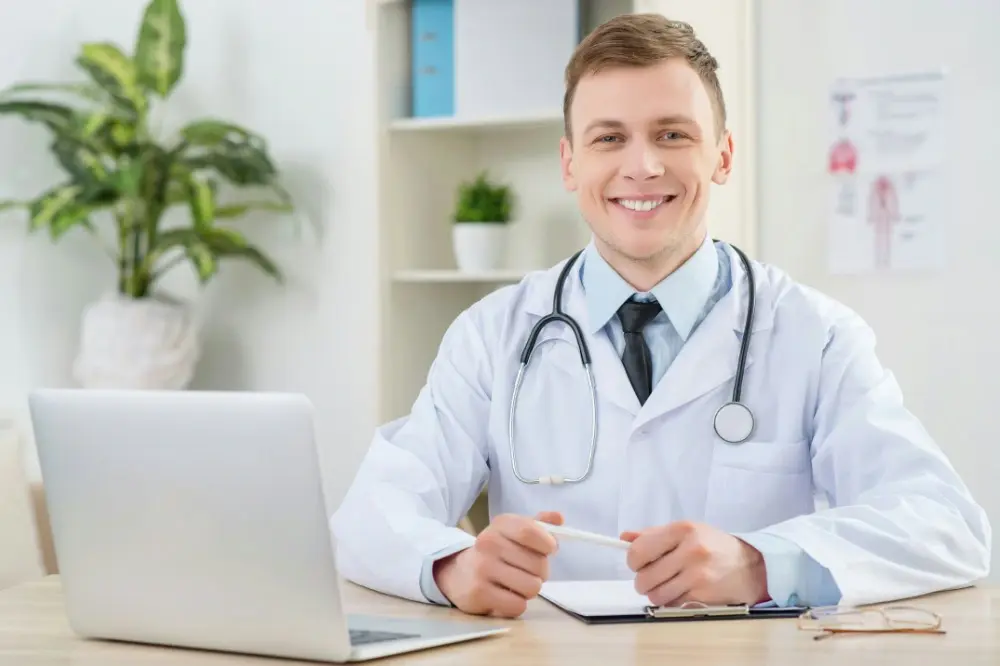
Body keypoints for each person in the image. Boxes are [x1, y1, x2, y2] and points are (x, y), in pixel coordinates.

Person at [331, 14, 990, 619]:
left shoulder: (816, 336)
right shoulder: (491, 336)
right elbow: (370, 514)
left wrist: (763, 563)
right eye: (608, 138)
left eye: (672, 134)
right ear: (569, 162)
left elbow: (944, 525)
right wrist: (452, 565)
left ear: (723, 155)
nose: (641, 166)